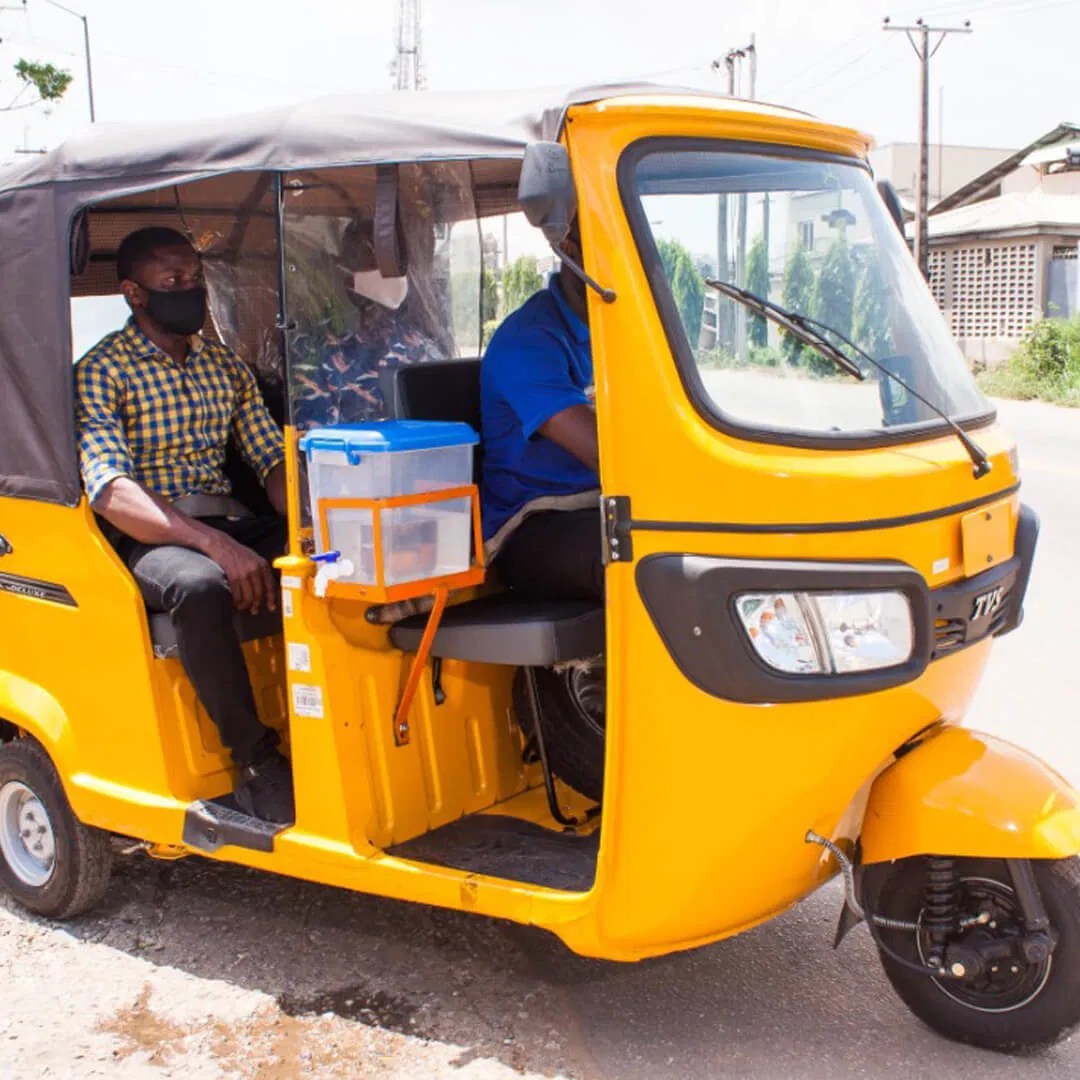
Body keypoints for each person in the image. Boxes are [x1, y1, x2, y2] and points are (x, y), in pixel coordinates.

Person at [74, 226, 294, 824]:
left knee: (332, 552)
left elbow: (269, 459)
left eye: (195, 279)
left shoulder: (223, 366)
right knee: (199, 586)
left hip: (227, 520)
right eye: (173, 280)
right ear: (133, 293)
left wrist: (310, 520)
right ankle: (254, 758)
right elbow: (111, 490)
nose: (189, 290)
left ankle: (333, 719)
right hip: (149, 534)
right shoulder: (102, 370)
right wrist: (212, 544)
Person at [480, 221, 603, 601]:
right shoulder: (528, 341)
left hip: (598, 505)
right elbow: (605, 453)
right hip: (533, 522)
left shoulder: (611, 330)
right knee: (651, 555)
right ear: (570, 248)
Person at [292, 218, 445, 430]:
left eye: (394, 264)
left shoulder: (424, 350)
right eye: (371, 263)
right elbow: (317, 442)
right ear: (348, 280)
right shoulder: (327, 360)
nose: (387, 274)